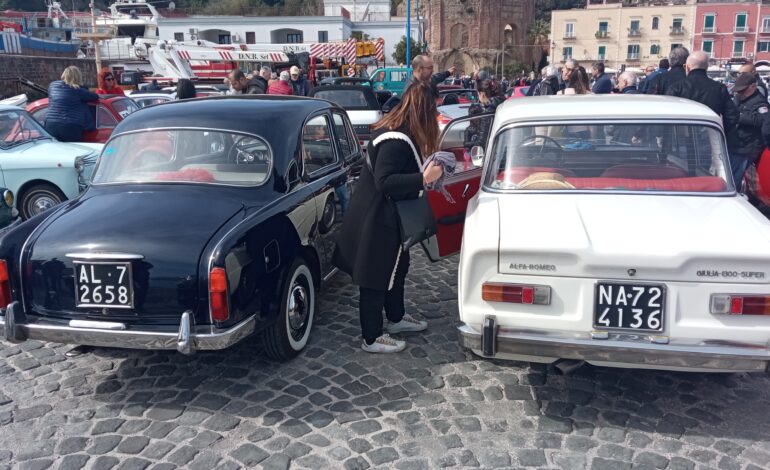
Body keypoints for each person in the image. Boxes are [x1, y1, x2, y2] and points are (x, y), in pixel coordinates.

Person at [332, 82, 443, 353]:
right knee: (375, 276)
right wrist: (423, 178)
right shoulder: (396, 139)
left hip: (385, 215)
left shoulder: (399, 130)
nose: (437, 118)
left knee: (398, 267)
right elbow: (385, 180)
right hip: (377, 218)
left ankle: (395, 318)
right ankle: (371, 337)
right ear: (424, 110)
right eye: (435, 111)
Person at [731, 73, 769, 190]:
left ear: (753, 87)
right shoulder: (740, 98)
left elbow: (762, 120)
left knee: (733, 179)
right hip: (737, 144)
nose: (739, 94)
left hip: (748, 146)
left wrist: (739, 116)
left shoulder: (760, 103)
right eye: (738, 91)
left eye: (742, 91)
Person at [44, 66, 98, 142]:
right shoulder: (78, 90)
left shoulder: (52, 86)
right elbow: (95, 96)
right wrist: (83, 87)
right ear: (78, 77)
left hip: (50, 124)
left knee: (56, 151)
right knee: (73, 151)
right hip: (69, 126)